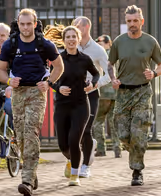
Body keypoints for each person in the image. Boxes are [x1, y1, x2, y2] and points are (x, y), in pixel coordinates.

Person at [0, 8, 64, 196]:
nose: (25, 27)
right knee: (20, 136)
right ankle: (31, 172)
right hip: (18, 92)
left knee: (31, 132)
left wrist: (49, 82)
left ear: (35, 24)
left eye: (29, 24)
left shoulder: (45, 44)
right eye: (22, 24)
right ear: (18, 24)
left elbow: (59, 66)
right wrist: (9, 81)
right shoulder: (10, 45)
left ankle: (26, 179)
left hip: (36, 92)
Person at [107, 5, 161, 186]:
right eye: (129, 21)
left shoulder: (150, 42)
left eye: (135, 21)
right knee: (123, 133)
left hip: (142, 91)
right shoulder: (118, 41)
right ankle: (133, 152)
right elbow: (110, 64)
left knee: (139, 133)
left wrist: (154, 73)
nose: (132, 24)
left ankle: (137, 170)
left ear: (142, 21)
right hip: (123, 92)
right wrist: (113, 78)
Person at [51, 26, 99, 186]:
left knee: (74, 139)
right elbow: (49, 79)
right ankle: (72, 160)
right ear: (64, 40)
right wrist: (58, 88)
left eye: (74, 37)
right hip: (62, 105)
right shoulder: (58, 59)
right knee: (63, 144)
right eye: (68, 37)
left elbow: (97, 73)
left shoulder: (85, 59)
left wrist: (92, 83)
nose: (71, 40)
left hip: (80, 104)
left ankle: (75, 175)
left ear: (78, 39)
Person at [71, 17, 110, 176]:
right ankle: (86, 148)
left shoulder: (98, 50)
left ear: (86, 27)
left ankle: (86, 165)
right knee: (72, 131)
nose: (73, 29)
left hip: (91, 95)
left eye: (77, 26)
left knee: (86, 129)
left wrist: (94, 84)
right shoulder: (70, 47)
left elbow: (109, 75)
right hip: (72, 95)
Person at [94, 35, 121, 158]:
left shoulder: (99, 56)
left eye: (101, 43)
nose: (99, 45)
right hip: (115, 93)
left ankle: (101, 148)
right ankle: (117, 149)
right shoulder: (117, 56)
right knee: (113, 122)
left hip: (103, 93)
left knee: (98, 121)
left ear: (108, 43)